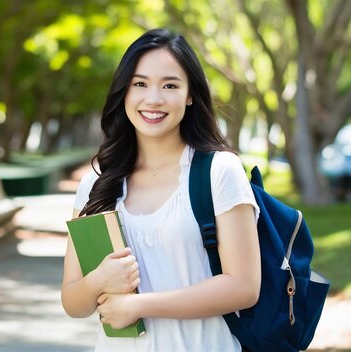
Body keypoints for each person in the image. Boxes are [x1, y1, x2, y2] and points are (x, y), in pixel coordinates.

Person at [61, 28, 261, 351]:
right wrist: (100, 280)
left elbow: (244, 286)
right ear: (124, 92)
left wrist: (141, 305)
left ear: (190, 95)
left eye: (170, 85)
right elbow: (72, 301)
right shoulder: (96, 186)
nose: (153, 99)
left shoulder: (219, 172)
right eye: (140, 84)